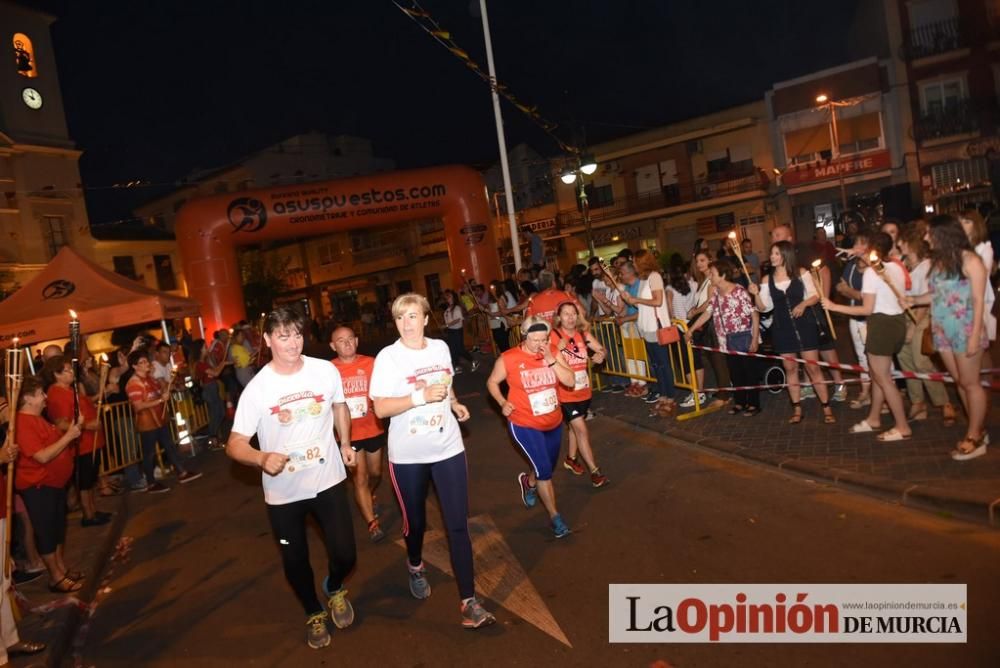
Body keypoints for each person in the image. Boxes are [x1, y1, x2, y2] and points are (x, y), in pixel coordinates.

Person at [226, 306, 358, 649]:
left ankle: (334, 586)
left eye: (297, 334)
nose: (293, 342)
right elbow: (235, 444)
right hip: (284, 493)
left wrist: (345, 442)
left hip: (327, 478)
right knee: (295, 559)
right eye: (284, 336)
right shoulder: (258, 388)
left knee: (346, 554)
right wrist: (260, 457)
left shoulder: (324, 370)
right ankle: (313, 612)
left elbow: (339, 406)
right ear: (268, 339)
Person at [370, 293, 495, 629]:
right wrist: (419, 396)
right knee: (416, 523)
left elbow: (445, 384)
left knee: (458, 524)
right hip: (408, 455)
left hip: (447, 446)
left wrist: (453, 403)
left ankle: (469, 601)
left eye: (413, 316)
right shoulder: (388, 358)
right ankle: (414, 563)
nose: (407, 324)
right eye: (400, 318)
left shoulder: (440, 348)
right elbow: (380, 408)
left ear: (426, 319)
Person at [908, 215, 990, 460]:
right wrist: (913, 300)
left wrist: (975, 335)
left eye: (929, 233)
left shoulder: (971, 260)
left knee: (970, 382)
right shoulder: (940, 261)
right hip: (942, 328)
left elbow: (978, 300)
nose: (925, 238)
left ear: (943, 234)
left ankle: (975, 436)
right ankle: (977, 428)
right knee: (959, 382)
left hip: (965, 328)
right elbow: (937, 295)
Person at [486, 316, 575, 538]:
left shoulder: (552, 351)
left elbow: (571, 381)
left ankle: (528, 481)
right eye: (534, 340)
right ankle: (556, 518)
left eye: (543, 339)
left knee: (545, 466)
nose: (539, 344)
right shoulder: (509, 358)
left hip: (553, 422)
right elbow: (492, 382)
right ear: (524, 337)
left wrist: (551, 359)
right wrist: (502, 402)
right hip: (523, 422)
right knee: (545, 470)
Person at [821, 232, 911, 442]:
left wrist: (834, 306)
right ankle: (874, 418)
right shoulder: (895, 266)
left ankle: (902, 426)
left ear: (871, 249)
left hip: (881, 324)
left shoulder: (872, 274)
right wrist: (858, 252)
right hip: (897, 321)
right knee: (877, 374)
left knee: (884, 379)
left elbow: (866, 309)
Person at [748, 242, 836, 425]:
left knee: (813, 368)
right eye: (771, 253)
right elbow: (764, 308)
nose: (771, 256)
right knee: (790, 369)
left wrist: (803, 304)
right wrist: (756, 294)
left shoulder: (801, 272)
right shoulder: (766, 280)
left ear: (785, 255)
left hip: (805, 326)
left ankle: (826, 407)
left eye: (776, 253)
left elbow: (815, 295)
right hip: (782, 329)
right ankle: (797, 409)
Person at [13, 375, 84, 593]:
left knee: (57, 529)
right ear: (27, 398)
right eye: (40, 394)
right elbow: (42, 456)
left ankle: (61, 569)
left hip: (53, 483)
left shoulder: (38, 418)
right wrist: (69, 436)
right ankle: (55, 577)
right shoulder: (23, 423)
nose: (45, 397)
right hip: (38, 485)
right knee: (46, 532)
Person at [330, 326, 387, 542]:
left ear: (357, 341)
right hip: (347, 435)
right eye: (340, 340)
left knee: (375, 473)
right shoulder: (328, 370)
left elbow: (383, 389)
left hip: (373, 427)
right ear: (333, 346)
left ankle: (371, 494)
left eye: (350, 339)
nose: (346, 343)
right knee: (360, 478)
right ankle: (373, 524)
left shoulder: (371, 363)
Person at [42, 356, 111, 527]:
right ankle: (88, 514)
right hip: (80, 445)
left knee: (90, 480)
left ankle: (93, 510)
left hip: (90, 442)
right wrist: (88, 425)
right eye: (67, 370)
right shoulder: (56, 394)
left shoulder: (69, 390)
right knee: (84, 483)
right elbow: (61, 423)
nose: (72, 373)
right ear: (56, 374)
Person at [896, 221, 954, 423]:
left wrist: (913, 327)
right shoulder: (903, 264)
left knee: (921, 360)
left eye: (902, 241)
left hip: (922, 314)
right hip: (905, 313)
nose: (899, 245)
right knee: (905, 358)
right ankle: (918, 403)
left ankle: (943, 402)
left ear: (912, 242)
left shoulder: (927, 266)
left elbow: (925, 298)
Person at [688, 259, 761, 416]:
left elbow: (754, 313)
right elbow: (708, 313)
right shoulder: (716, 293)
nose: (710, 277)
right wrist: (691, 330)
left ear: (722, 275)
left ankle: (754, 404)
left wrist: (755, 339)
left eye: (713, 274)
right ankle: (740, 402)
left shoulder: (739, 292)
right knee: (735, 372)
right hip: (726, 339)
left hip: (744, 337)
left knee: (749, 372)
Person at [126, 350, 203, 493]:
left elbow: (158, 393)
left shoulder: (150, 379)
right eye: (142, 363)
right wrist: (161, 399)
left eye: (146, 361)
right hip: (147, 423)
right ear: (134, 366)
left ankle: (182, 472)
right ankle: (150, 483)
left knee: (170, 446)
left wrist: (164, 393)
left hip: (160, 419)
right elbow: (138, 406)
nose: (146, 364)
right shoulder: (133, 383)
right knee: (149, 454)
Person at [550, 302, 608, 486]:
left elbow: (602, 349)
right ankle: (595, 472)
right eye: (565, 314)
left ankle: (570, 459)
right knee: (582, 430)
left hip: (584, 392)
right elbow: (542, 359)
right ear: (559, 317)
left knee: (575, 427)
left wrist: (601, 355)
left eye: (573, 313)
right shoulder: (553, 335)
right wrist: (557, 348)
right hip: (565, 393)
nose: (570, 317)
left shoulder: (583, 334)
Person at [621, 248, 677, 413]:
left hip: (656, 327)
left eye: (635, 262)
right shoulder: (644, 280)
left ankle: (670, 396)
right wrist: (630, 300)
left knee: (663, 364)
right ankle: (662, 394)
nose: (634, 265)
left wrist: (636, 299)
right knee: (655, 364)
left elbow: (658, 301)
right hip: (645, 327)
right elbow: (643, 305)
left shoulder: (654, 277)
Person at [835, 233, 874, 410]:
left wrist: (850, 291)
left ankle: (881, 393)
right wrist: (851, 292)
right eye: (856, 243)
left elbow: (862, 295)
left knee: (874, 356)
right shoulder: (851, 265)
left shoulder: (873, 265)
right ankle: (865, 391)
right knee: (861, 355)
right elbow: (840, 286)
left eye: (862, 243)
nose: (857, 247)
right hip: (854, 315)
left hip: (870, 317)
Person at [191, 339, 227, 446]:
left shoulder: (203, 363)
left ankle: (213, 437)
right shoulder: (200, 364)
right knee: (215, 414)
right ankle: (212, 440)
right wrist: (223, 364)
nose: (207, 349)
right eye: (204, 347)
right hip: (209, 390)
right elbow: (215, 373)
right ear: (200, 350)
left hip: (212, 388)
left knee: (220, 413)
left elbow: (214, 372)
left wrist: (223, 363)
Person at [442, 290, 478, 374]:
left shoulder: (457, 308)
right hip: (451, 331)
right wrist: (445, 326)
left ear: (454, 298)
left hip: (457, 330)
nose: (448, 298)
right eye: (447, 297)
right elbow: (448, 321)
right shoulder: (447, 310)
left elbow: (458, 319)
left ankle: (474, 361)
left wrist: (446, 325)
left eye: (450, 296)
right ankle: (457, 366)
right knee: (453, 349)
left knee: (460, 349)